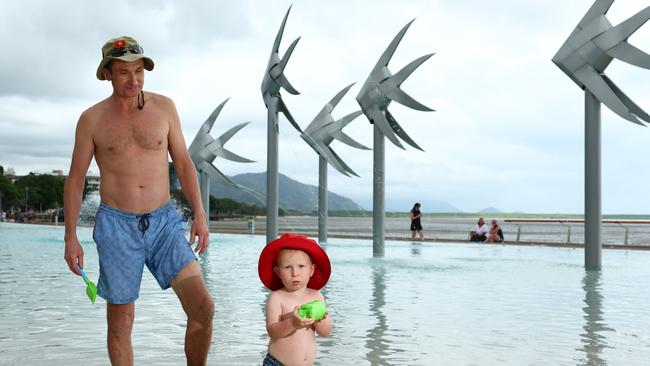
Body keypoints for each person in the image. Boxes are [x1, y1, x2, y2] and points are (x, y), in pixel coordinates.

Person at [63, 36, 213, 366]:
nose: (134, 80)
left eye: (139, 71)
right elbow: (75, 179)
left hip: (164, 223)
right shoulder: (92, 119)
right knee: (120, 322)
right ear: (107, 74)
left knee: (202, 306)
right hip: (117, 226)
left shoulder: (165, 107)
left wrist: (199, 214)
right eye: (123, 73)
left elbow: (185, 163)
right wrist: (71, 236)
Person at [258, 233, 332, 366]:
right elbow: (273, 332)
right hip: (278, 363)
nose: (295, 273)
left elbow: (325, 333)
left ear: (311, 270)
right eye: (287, 267)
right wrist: (292, 323)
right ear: (278, 272)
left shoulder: (316, 296)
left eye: (301, 266)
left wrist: (322, 320)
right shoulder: (277, 297)